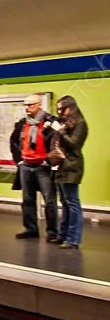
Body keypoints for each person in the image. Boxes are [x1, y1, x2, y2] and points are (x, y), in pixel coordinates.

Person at [10, 94, 58, 242]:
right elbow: (13, 142)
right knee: (27, 199)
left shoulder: (50, 122)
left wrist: (49, 161)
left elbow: (57, 141)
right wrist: (19, 161)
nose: (27, 108)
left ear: (39, 105)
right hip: (26, 166)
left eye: (30, 105)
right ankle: (31, 229)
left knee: (49, 200)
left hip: (43, 167)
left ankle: (52, 232)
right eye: (25, 105)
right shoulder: (22, 124)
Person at [51, 95, 87, 250]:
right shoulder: (66, 122)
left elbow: (74, 143)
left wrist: (61, 131)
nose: (60, 112)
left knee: (73, 203)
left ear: (71, 108)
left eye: (62, 109)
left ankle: (73, 239)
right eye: (58, 109)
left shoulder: (80, 123)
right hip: (61, 165)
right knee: (65, 203)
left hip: (72, 166)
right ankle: (63, 235)